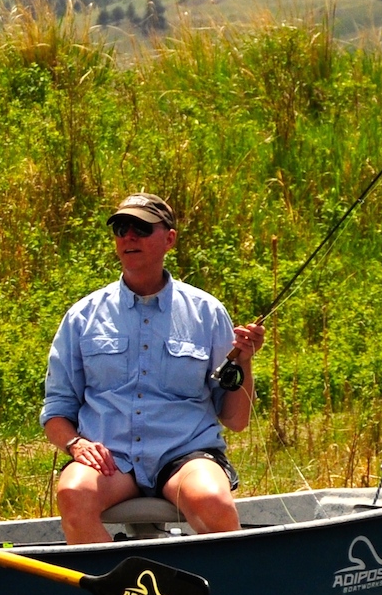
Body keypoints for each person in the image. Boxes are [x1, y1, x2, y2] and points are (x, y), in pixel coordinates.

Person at [43, 193, 264, 545]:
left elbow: (236, 419)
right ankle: (122, 593)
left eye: (141, 228)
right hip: (110, 460)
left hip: (186, 455)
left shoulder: (207, 312)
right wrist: (75, 444)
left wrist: (246, 361)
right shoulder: (82, 316)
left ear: (169, 239)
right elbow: (56, 410)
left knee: (212, 500)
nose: (129, 236)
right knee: (73, 494)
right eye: (120, 228)